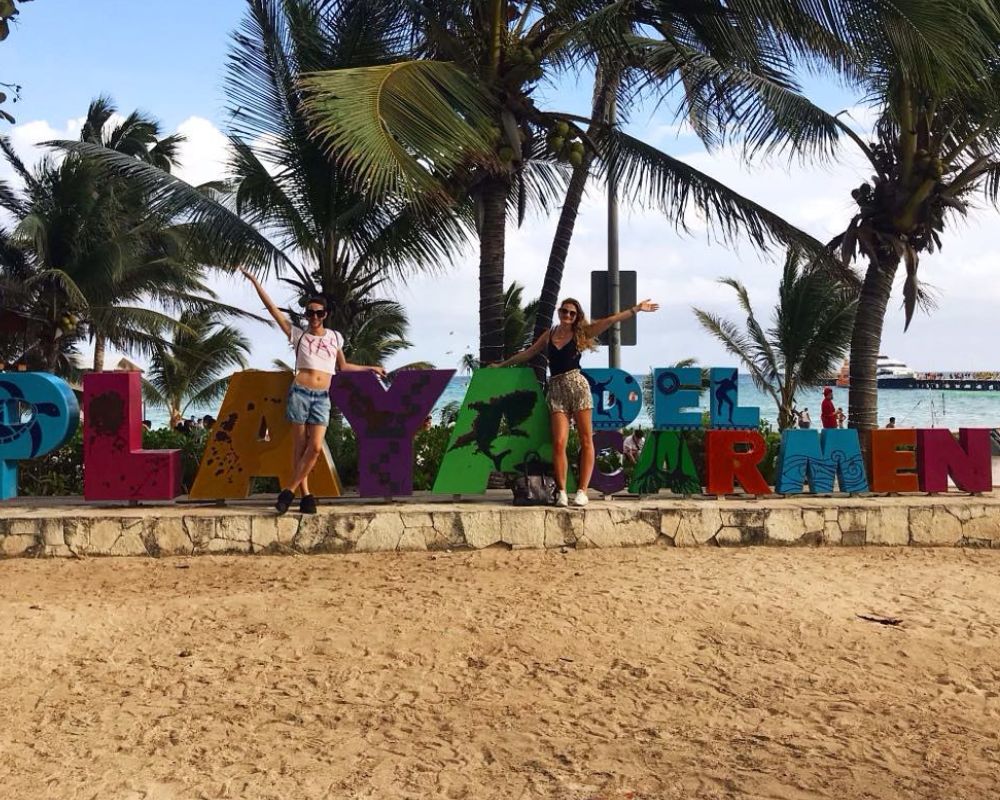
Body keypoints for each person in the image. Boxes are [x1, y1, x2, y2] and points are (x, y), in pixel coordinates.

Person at [491, 297, 659, 506]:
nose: (567, 316)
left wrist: (636, 309)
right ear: (559, 312)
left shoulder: (581, 333)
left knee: (586, 439)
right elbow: (528, 353)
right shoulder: (550, 334)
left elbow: (610, 320)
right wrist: (501, 365)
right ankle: (561, 492)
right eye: (564, 311)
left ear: (576, 316)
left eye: (572, 313)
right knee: (559, 442)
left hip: (577, 387)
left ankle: (582, 491)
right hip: (557, 390)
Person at [242, 268, 385, 514]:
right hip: (300, 392)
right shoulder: (298, 335)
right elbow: (275, 311)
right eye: (310, 313)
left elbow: (342, 366)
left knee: (316, 447)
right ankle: (306, 496)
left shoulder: (334, 337)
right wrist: (255, 282)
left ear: (325, 314)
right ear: (306, 314)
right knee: (299, 447)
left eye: (319, 312)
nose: (314, 316)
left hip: (321, 396)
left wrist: (370, 368)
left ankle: (288, 492)